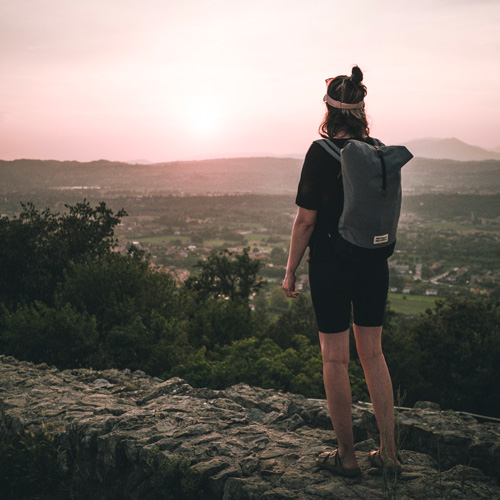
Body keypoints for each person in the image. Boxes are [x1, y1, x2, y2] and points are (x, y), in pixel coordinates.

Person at [282, 65, 402, 477]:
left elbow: (305, 222)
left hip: (332, 266)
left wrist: (290, 271)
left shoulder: (321, 152)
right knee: (373, 354)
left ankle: (347, 457)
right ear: (361, 110)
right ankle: (388, 453)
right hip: (373, 264)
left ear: (329, 112)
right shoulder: (377, 152)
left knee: (335, 360)